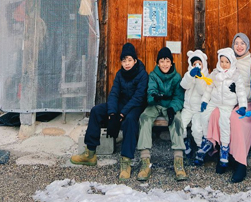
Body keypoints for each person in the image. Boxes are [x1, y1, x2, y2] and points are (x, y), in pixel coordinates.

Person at [70, 42, 148, 181]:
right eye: (124, 61)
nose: (127, 63)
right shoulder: (119, 74)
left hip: (135, 106)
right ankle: (90, 153)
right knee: (96, 111)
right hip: (120, 105)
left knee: (130, 120)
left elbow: (138, 97)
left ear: (135, 61)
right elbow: (114, 94)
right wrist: (112, 114)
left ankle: (126, 161)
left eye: (130, 60)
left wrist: (121, 114)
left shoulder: (142, 74)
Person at [206, 32, 251, 182]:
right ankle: (223, 154)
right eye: (236, 43)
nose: (239, 46)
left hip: (246, 103)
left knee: (235, 118)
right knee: (215, 113)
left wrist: (239, 93)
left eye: (243, 43)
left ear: (247, 45)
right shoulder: (226, 61)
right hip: (227, 103)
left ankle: (240, 162)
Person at [136, 47, 187, 182]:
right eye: (162, 61)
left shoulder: (176, 77)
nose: (165, 64)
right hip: (155, 105)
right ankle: (145, 161)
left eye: (167, 61)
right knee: (144, 118)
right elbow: (150, 92)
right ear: (158, 63)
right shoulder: (153, 75)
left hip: (169, 105)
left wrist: (172, 108)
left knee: (176, 120)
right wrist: (155, 97)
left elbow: (179, 97)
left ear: (171, 63)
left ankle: (178, 161)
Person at [195, 47, 247, 168]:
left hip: (227, 104)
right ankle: (207, 140)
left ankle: (224, 147)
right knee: (204, 115)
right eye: (222, 61)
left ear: (232, 62)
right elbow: (209, 88)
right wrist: (204, 101)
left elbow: (241, 92)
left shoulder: (235, 76)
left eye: (227, 62)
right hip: (214, 101)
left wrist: (243, 105)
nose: (224, 65)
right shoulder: (215, 73)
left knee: (224, 122)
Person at [180, 50, 210, 154]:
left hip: (198, 109)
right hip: (188, 108)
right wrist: (190, 75)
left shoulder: (206, 77)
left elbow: (203, 91)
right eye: (194, 64)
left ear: (203, 64)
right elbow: (184, 85)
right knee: (181, 124)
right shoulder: (188, 74)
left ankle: (199, 146)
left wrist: (199, 78)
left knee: (197, 128)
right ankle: (184, 141)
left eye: (199, 64)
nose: (197, 66)